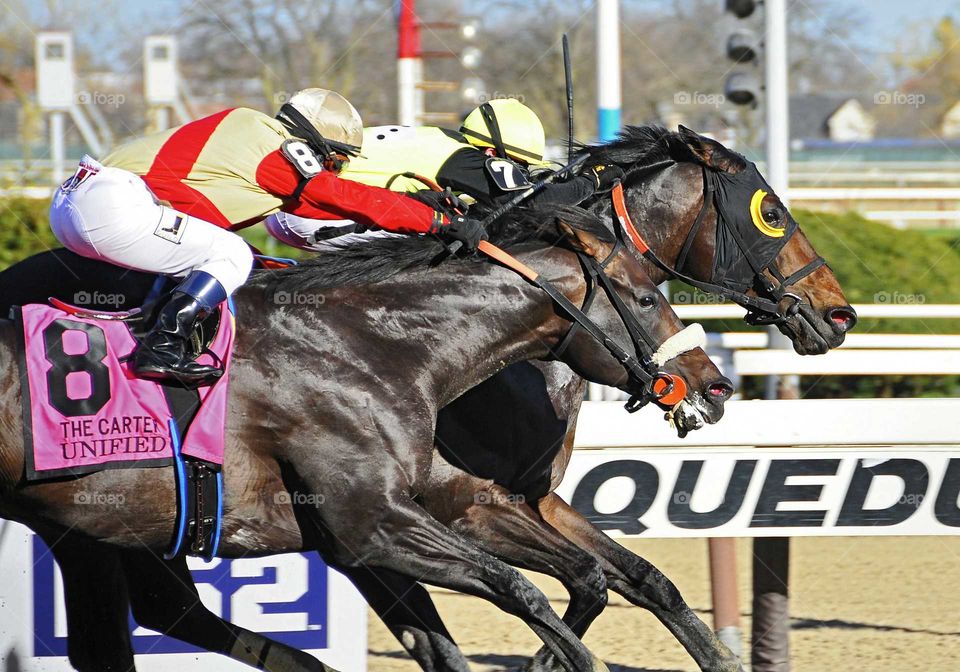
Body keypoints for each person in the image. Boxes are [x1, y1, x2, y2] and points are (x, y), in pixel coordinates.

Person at [49, 88, 484, 387]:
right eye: (334, 158)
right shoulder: (278, 146)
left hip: (77, 202)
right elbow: (333, 193)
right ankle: (162, 346)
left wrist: (412, 208)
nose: (333, 167)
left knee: (237, 259)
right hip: (110, 206)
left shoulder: (254, 137)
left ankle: (149, 328)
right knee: (232, 254)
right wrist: (436, 223)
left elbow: (310, 205)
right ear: (313, 140)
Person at [263, 97, 623, 251]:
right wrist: (591, 180)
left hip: (299, 205)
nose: (518, 172)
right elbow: (532, 202)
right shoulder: (461, 157)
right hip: (308, 215)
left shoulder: (443, 142)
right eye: (515, 163)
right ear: (490, 152)